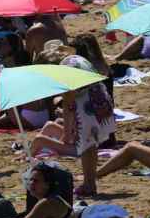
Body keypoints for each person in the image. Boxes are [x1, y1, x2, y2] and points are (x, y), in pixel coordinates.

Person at [28, 49, 115, 197]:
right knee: (90, 144)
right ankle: (90, 183)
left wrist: (68, 133)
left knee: (88, 147)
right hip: (100, 99)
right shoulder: (75, 59)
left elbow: (68, 103)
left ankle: (89, 185)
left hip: (88, 107)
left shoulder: (64, 72)